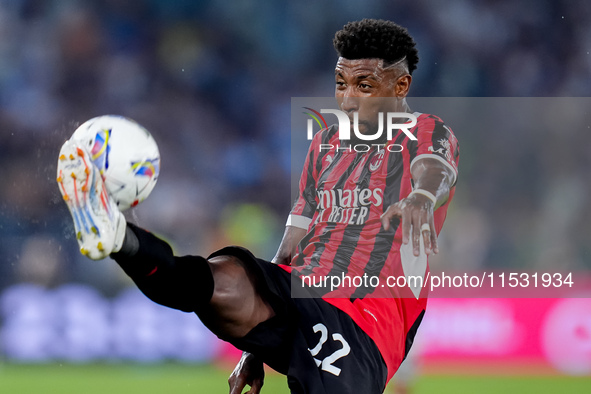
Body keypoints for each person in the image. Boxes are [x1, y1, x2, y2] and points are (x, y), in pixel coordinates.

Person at [57, 19, 459, 394]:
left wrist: (422, 197)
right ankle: (116, 235)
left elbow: (434, 171)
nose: (348, 99)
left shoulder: (427, 131)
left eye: (364, 85)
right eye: (341, 83)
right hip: (298, 290)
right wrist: (255, 346)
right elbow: (294, 239)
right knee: (217, 280)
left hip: (364, 321)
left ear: (400, 85)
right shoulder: (326, 144)